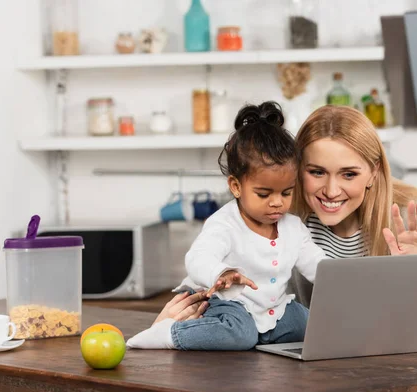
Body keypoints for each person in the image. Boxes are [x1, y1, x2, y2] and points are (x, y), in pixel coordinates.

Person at [126, 101, 325, 351]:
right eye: (264, 194)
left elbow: (319, 265)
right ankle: (170, 333)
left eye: (286, 193)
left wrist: (346, 277)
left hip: (272, 308)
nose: (277, 203)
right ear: (236, 186)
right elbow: (198, 257)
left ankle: (261, 337)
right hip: (227, 303)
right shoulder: (225, 223)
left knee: (310, 324)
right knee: (239, 333)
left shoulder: (294, 228)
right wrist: (220, 273)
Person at [288, 105, 417, 345]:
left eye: (348, 174)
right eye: (317, 172)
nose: (331, 191)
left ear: (373, 172)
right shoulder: (286, 224)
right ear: (299, 170)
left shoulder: (409, 218)